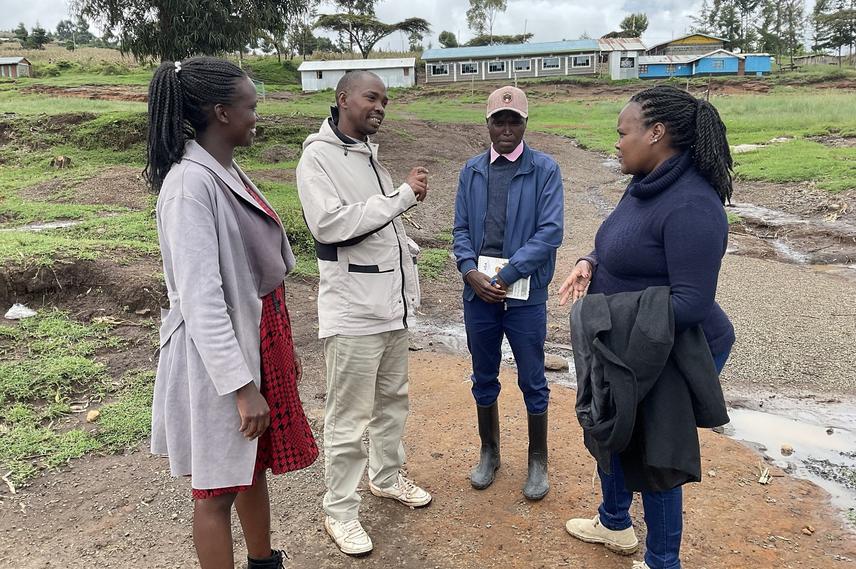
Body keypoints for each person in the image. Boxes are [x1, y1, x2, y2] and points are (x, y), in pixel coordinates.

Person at [146, 57, 318, 569]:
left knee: (251, 466)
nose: (255, 116)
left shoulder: (224, 170)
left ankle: (265, 561)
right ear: (221, 113)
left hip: (256, 338)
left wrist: (276, 358)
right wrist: (243, 387)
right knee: (217, 488)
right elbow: (201, 301)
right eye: (250, 107)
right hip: (217, 359)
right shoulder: (188, 187)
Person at [558, 84, 736, 569]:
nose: (617, 142)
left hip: (670, 348)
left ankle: (662, 561)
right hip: (624, 346)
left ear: (656, 133)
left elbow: (692, 303)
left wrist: (603, 316)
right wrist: (589, 260)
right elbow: (625, 245)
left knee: (655, 453)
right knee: (612, 431)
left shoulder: (693, 207)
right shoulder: (645, 183)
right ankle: (615, 524)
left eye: (623, 133)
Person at [296, 71, 432, 557]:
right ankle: (340, 512)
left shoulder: (366, 155)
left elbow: (379, 227)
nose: (380, 106)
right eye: (371, 97)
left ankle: (386, 477)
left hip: (389, 310)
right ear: (342, 99)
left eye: (385, 100)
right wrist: (402, 196)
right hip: (353, 314)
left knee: (393, 401)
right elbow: (331, 225)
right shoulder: (319, 157)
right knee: (350, 417)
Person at [452, 86, 564, 500]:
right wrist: (468, 271)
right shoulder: (472, 171)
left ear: (525, 124)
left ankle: (538, 460)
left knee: (533, 378)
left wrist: (511, 273)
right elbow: (460, 229)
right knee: (484, 374)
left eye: (514, 120)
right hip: (479, 293)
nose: (506, 128)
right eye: (499, 120)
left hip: (524, 294)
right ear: (488, 124)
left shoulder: (545, 170)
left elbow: (550, 232)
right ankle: (490, 451)